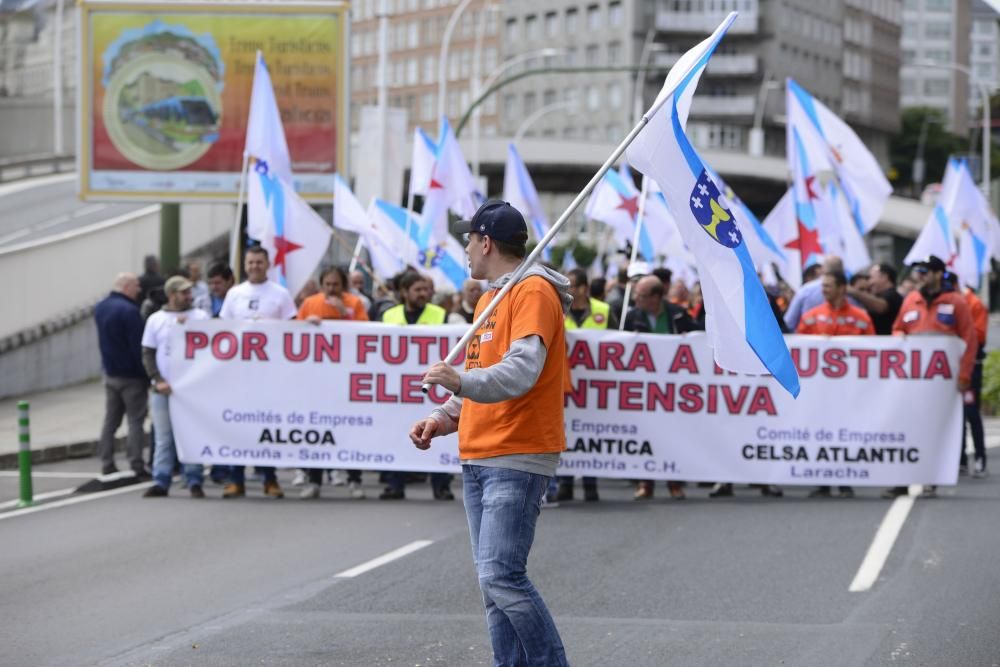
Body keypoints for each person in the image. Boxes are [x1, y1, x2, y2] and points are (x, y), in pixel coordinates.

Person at [410, 200, 571, 667]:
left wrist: (457, 380)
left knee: (501, 577)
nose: (463, 248)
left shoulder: (533, 291)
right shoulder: (490, 298)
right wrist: (442, 418)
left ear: (486, 242)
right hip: (480, 455)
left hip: (517, 453)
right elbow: (483, 378)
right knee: (493, 586)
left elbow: (520, 371)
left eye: (468, 239)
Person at [882, 255, 979, 499]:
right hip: (912, 380)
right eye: (917, 272)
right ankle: (901, 480)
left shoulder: (956, 302)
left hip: (942, 381)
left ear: (937, 274)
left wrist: (965, 374)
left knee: (933, 429)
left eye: (925, 272)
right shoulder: (911, 300)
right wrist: (899, 341)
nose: (919, 277)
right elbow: (898, 328)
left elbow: (969, 339)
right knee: (905, 427)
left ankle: (930, 477)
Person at [218, 245, 297, 499]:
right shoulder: (235, 294)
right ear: (245, 264)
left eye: (259, 262)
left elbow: (294, 330)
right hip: (240, 374)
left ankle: (269, 478)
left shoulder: (280, 294)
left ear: (267, 264)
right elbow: (222, 329)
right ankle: (235, 478)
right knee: (237, 425)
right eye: (250, 262)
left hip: (269, 374)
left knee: (264, 425)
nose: (254, 267)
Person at [797, 269, 874, 498]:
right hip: (818, 392)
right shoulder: (811, 316)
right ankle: (822, 482)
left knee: (846, 432)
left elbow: (873, 351)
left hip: (848, 391)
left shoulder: (861, 318)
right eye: (823, 286)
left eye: (828, 286)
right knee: (819, 432)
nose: (824, 290)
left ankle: (845, 480)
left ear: (842, 288)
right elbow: (799, 347)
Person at [380, 271, 454, 501]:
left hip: (431, 386)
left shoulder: (440, 314)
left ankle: (441, 485)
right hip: (398, 387)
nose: (424, 294)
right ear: (404, 292)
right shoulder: (389, 315)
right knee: (395, 433)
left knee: (435, 433)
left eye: (425, 289)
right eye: (417, 290)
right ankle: (395, 484)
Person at [296, 266, 369, 499]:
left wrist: (344, 313)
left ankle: (354, 480)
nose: (331, 289)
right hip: (317, 380)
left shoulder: (354, 304)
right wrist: (307, 323)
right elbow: (293, 333)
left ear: (344, 285)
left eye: (335, 285)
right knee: (317, 429)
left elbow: (368, 333)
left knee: (350, 431)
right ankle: (313, 480)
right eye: (327, 285)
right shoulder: (310, 303)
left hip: (347, 378)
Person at [625, 275, 697, 500]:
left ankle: (674, 482)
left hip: (673, 390)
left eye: (642, 295)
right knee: (644, 435)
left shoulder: (677, 314)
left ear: (656, 297)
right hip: (643, 389)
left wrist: (690, 338)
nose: (637, 299)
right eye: (636, 294)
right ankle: (645, 483)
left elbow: (699, 338)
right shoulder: (631, 316)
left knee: (672, 435)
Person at [141, 277, 210, 497]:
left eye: (189, 292)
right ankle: (161, 479)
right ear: (172, 295)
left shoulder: (199, 317)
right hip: (164, 388)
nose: (189, 297)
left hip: (191, 389)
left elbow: (210, 347)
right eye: (184, 293)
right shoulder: (156, 319)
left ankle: (194, 478)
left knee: (191, 434)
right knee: (164, 437)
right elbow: (148, 353)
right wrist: (157, 379)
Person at [557, 268, 616, 503]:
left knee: (592, 429)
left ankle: (591, 483)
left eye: (571, 285)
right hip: (566, 385)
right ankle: (566, 483)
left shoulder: (604, 311)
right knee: (567, 431)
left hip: (596, 387)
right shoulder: (558, 311)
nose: (567, 290)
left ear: (583, 288)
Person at [93, 273, 149, 477]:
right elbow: (138, 347)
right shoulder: (130, 311)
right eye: (136, 285)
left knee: (110, 421)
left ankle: (107, 462)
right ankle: (136, 463)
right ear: (126, 287)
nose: (139, 290)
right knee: (135, 421)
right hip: (132, 376)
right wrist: (147, 374)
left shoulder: (101, 307)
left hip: (110, 373)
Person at [961, 285, 989, 478]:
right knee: (955, 417)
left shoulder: (974, 304)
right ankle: (959, 460)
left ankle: (980, 457)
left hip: (971, 369)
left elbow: (979, 336)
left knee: (971, 413)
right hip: (948, 369)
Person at [847, 263, 902, 336]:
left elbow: (881, 307)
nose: (869, 282)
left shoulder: (893, 295)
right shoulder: (879, 295)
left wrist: (852, 291)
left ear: (884, 277)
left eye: (871, 277)